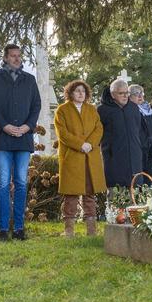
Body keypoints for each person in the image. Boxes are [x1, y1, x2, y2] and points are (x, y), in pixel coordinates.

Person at [0, 44, 42, 241]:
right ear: (6, 57)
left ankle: (18, 228)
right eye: (13, 56)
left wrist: (28, 126)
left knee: (21, 182)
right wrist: (4, 126)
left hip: (24, 138)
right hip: (2, 139)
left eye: (19, 56)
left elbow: (36, 105)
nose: (17, 59)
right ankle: (2, 228)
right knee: (2, 183)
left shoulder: (30, 80)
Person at [54, 80, 106, 237]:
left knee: (90, 193)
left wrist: (90, 143)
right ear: (70, 93)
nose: (81, 93)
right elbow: (62, 133)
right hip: (72, 157)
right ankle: (69, 230)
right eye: (77, 91)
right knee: (71, 194)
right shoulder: (62, 110)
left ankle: (91, 230)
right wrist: (79, 144)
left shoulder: (92, 109)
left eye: (83, 91)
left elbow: (99, 128)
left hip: (90, 157)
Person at [99, 80, 143, 192]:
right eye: (121, 93)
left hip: (135, 161)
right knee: (116, 202)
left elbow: (137, 130)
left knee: (136, 203)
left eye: (126, 93)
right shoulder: (102, 110)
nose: (125, 96)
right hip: (114, 161)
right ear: (113, 94)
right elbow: (98, 134)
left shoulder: (133, 108)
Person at [130, 84, 152, 176]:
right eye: (136, 93)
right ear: (130, 96)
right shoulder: (131, 111)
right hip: (142, 150)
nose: (140, 96)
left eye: (141, 93)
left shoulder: (149, 109)